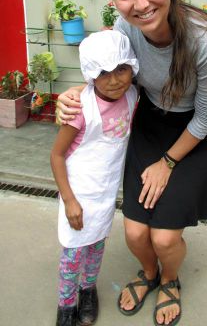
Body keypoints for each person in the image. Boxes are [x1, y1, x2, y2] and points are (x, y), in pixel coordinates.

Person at [56, 0, 207, 326]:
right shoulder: (124, 27)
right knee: (136, 235)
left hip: (195, 133)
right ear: (114, 0)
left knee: (165, 238)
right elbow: (107, 70)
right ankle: (149, 273)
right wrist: (77, 93)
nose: (140, 4)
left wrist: (167, 163)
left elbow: (206, 117)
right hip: (152, 123)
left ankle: (169, 279)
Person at [50, 30, 139, 326]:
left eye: (121, 69)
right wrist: (70, 201)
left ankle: (88, 290)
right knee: (73, 255)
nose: (114, 80)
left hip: (105, 193)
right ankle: (65, 305)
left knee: (97, 245)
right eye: (103, 72)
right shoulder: (80, 109)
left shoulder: (132, 96)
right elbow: (57, 156)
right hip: (78, 196)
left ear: (132, 67)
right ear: (90, 73)